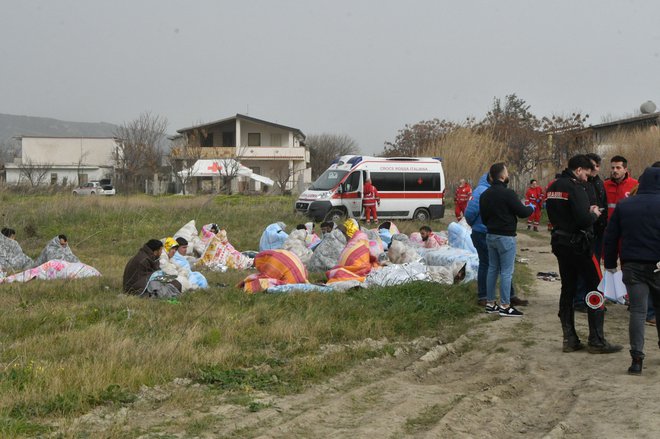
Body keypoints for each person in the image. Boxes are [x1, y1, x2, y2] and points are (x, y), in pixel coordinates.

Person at [546, 154, 622, 354]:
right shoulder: (575, 187)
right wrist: (594, 214)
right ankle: (597, 340)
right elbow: (583, 219)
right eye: (587, 173)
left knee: (568, 287)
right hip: (580, 244)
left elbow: (556, 214)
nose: (589, 178)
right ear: (579, 170)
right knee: (597, 286)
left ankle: (569, 338)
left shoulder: (553, 186)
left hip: (560, 242)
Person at [603, 165, 660, 374]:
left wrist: (609, 264)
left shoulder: (625, 205)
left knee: (638, 311)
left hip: (632, 265)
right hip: (658, 265)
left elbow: (611, 237)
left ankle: (637, 360)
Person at [465, 172, 529, 308]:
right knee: (491, 265)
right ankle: (490, 298)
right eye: (504, 173)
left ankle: (497, 299)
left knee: (497, 266)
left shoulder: (488, 191)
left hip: (488, 232)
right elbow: (469, 213)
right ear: (493, 177)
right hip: (484, 232)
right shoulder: (482, 192)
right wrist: (477, 225)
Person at [479, 163, 534, 317]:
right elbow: (522, 212)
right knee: (506, 272)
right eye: (507, 172)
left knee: (492, 268)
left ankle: (490, 303)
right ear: (502, 176)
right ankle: (505, 305)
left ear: (491, 177)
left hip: (490, 235)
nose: (508, 174)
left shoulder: (485, 195)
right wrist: (531, 208)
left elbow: (483, 218)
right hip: (506, 236)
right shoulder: (508, 193)